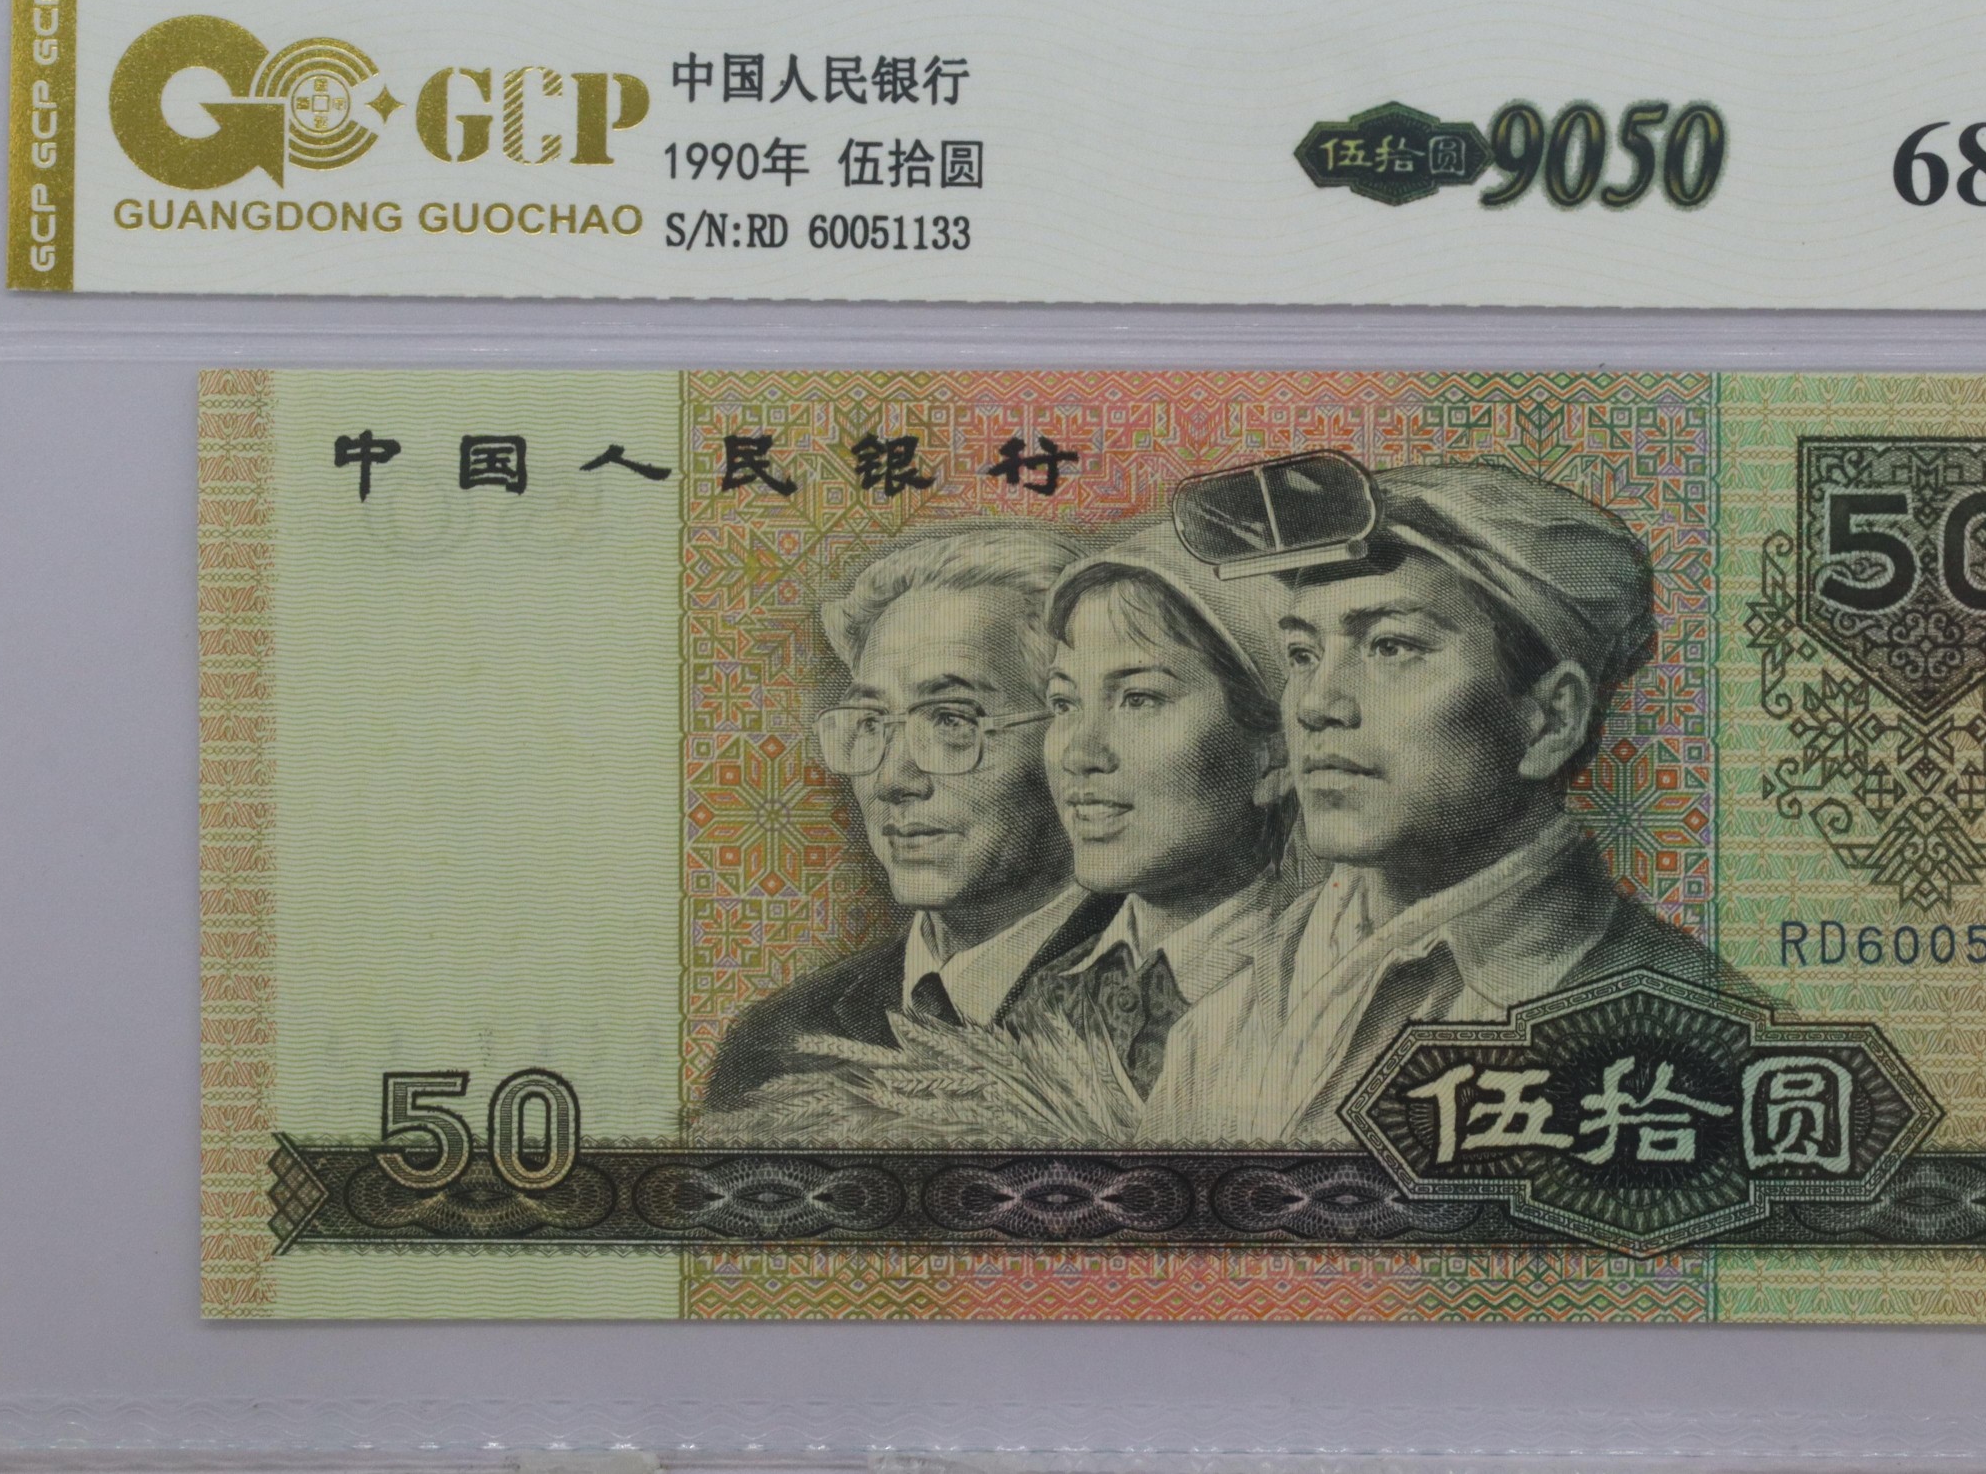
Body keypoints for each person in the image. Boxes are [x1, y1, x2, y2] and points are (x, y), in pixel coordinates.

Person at [1186, 460, 1755, 1147]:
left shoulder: (1695, 1038)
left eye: (1391, 646)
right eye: (1303, 654)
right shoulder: (1238, 994)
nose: (1315, 704)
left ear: (1550, 720)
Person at [697, 524, 1116, 1114]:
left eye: (951, 721)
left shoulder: (1171, 1009)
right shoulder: (778, 1040)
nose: (893, 780)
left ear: (1071, 733)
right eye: (870, 723)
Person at [1021, 521, 1299, 1130]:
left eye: (1139, 699)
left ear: (1275, 754)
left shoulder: (1320, 996)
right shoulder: (1043, 998)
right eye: (1064, 704)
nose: (1080, 753)